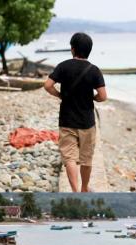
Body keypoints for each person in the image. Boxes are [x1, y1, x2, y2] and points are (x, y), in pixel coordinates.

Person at [44, 32, 107, 192]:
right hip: (87, 122)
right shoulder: (94, 70)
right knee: (86, 159)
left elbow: (48, 85)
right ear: (89, 50)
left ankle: (75, 190)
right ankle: (84, 188)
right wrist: (93, 98)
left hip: (67, 121)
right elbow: (103, 96)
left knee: (70, 158)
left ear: (72, 49)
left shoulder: (63, 66)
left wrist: (59, 95)